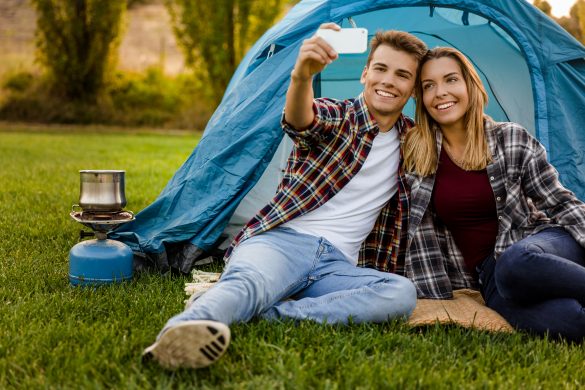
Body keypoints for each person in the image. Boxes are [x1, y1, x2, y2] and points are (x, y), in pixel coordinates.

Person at [142, 25, 428, 369]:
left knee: (400, 293)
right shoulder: (340, 116)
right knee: (249, 283)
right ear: (365, 73)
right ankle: (183, 332)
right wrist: (301, 75)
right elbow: (300, 121)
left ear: (412, 90)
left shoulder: (412, 139)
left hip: (337, 266)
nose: (388, 81)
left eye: (402, 75)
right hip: (281, 242)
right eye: (380, 69)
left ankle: (271, 314)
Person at [403, 46, 585, 342]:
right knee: (569, 321)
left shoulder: (510, 137)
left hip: (537, 244)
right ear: (421, 99)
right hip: (490, 277)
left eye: (451, 80)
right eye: (428, 86)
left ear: (469, 85)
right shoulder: (415, 154)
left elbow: (560, 202)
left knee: (516, 262)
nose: (440, 92)